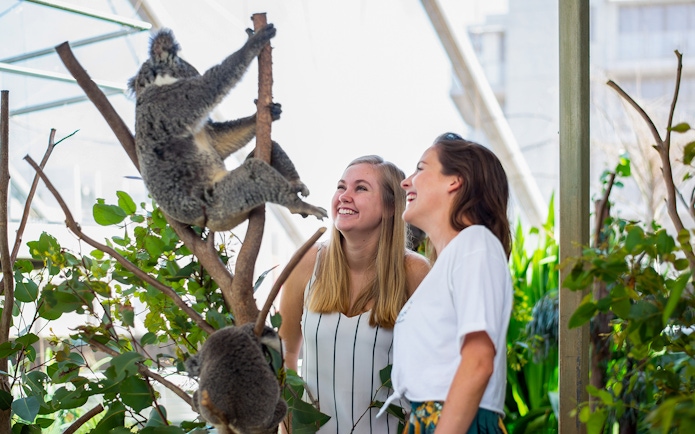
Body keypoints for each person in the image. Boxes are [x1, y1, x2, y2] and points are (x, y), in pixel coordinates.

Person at [279, 155, 431, 433]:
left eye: (360, 188)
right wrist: (289, 427)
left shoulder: (415, 272)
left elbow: (429, 374)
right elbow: (285, 351)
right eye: (341, 187)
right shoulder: (307, 262)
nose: (344, 197)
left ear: (389, 206)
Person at [379, 133, 513, 433]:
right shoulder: (454, 258)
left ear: (455, 181)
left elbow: (478, 361)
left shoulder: (476, 244)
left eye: (421, 168)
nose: (406, 182)